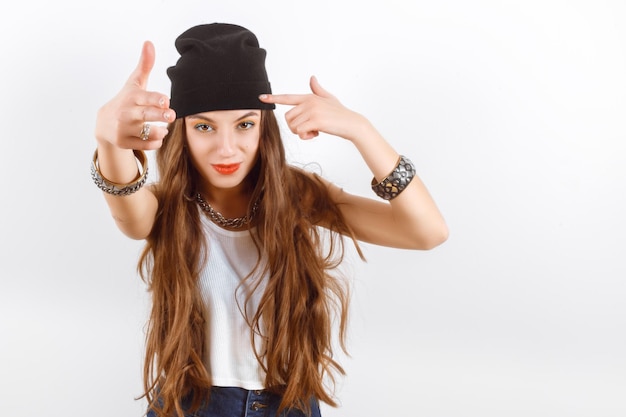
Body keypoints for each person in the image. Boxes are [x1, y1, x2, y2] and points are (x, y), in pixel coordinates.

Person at [92, 23, 448, 417]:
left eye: (245, 124)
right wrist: (109, 141)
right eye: (204, 126)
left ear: (264, 126)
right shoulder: (169, 208)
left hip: (288, 404)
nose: (227, 148)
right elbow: (131, 215)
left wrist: (360, 130)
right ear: (182, 131)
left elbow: (427, 232)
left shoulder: (298, 196)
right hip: (192, 404)